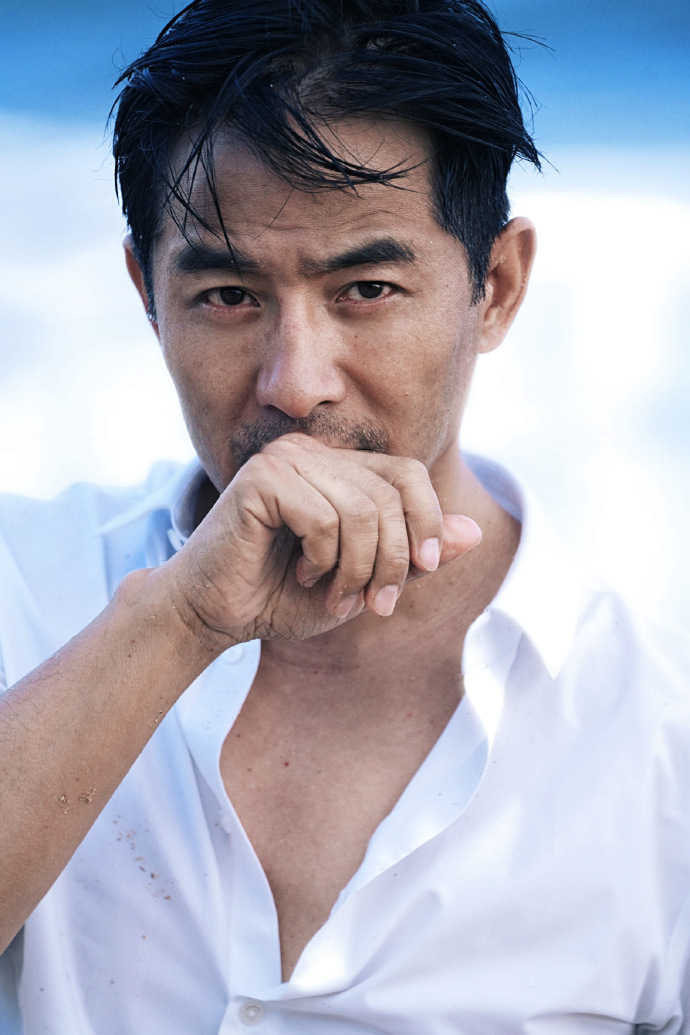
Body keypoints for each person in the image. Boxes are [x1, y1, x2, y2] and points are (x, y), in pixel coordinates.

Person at [1, 0, 689, 1031]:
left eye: (366, 287)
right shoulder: (20, 585)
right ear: (147, 292)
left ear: (496, 287)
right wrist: (177, 624)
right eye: (228, 295)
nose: (295, 382)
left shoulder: (658, 731)